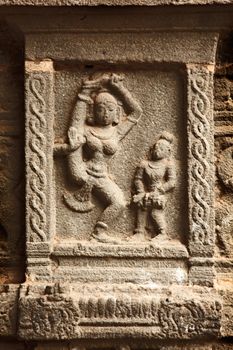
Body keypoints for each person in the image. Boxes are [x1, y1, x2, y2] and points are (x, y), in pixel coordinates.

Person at [55, 73, 142, 244]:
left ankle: (98, 233)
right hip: (82, 171)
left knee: (119, 203)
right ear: (93, 111)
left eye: (110, 109)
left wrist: (120, 89)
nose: (105, 114)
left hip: (101, 176)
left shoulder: (117, 132)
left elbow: (136, 113)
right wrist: (85, 93)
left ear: (117, 112)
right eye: (100, 109)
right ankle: (71, 150)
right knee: (75, 138)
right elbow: (76, 122)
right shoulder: (87, 130)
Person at [132, 132, 176, 241]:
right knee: (142, 206)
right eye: (156, 147)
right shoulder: (144, 164)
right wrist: (141, 191)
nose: (157, 150)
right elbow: (138, 179)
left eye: (161, 148)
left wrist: (160, 190)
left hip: (159, 192)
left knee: (155, 211)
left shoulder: (168, 164)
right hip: (146, 192)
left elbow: (172, 182)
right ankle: (139, 232)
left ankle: (162, 233)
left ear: (168, 151)